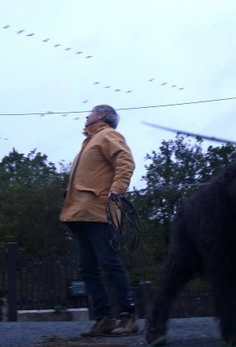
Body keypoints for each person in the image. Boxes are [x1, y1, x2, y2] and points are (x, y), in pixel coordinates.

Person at [60, 104, 138, 337]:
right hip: (80, 212)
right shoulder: (89, 141)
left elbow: (125, 161)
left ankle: (129, 317)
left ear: (102, 115)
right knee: (87, 269)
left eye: (91, 112)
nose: (87, 116)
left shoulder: (107, 135)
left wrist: (117, 191)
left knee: (109, 263)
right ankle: (104, 319)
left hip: (100, 210)